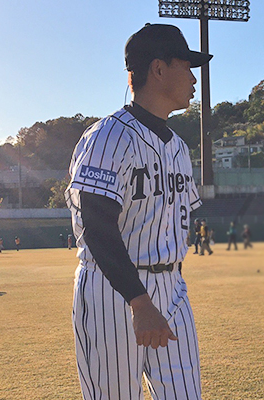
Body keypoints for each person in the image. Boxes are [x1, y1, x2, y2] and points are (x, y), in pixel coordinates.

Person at [64, 23, 208, 398]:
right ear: (158, 69)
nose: (194, 78)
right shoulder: (108, 137)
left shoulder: (179, 148)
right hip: (112, 292)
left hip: (171, 286)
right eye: (186, 66)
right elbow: (97, 228)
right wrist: (140, 302)